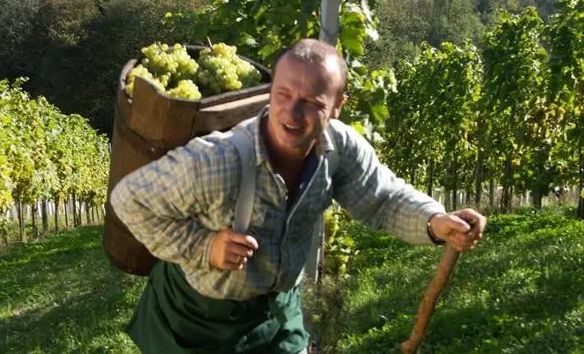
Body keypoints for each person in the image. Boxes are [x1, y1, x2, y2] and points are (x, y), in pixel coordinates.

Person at [111, 38, 486, 353]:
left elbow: (381, 198)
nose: (292, 112)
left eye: (311, 102)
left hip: (276, 313)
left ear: (337, 106)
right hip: (198, 320)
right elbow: (129, 199)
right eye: (284, 94)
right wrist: (204, 246)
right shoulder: (216, 161)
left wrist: (435, 222)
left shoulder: (339, 150)